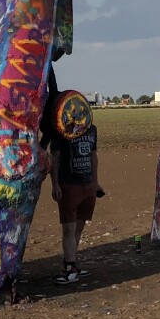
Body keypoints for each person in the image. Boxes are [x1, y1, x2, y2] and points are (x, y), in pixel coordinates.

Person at [50, 108, 101, 285]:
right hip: (69, 185)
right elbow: (54, 159)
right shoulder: (60, 131)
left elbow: (93, 156)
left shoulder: (91, 130)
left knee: (79, 227)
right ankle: (70, 267)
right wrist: (55, 184)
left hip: (88, 185)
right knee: (69, 229)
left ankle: (70, 264)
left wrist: (95, 182)